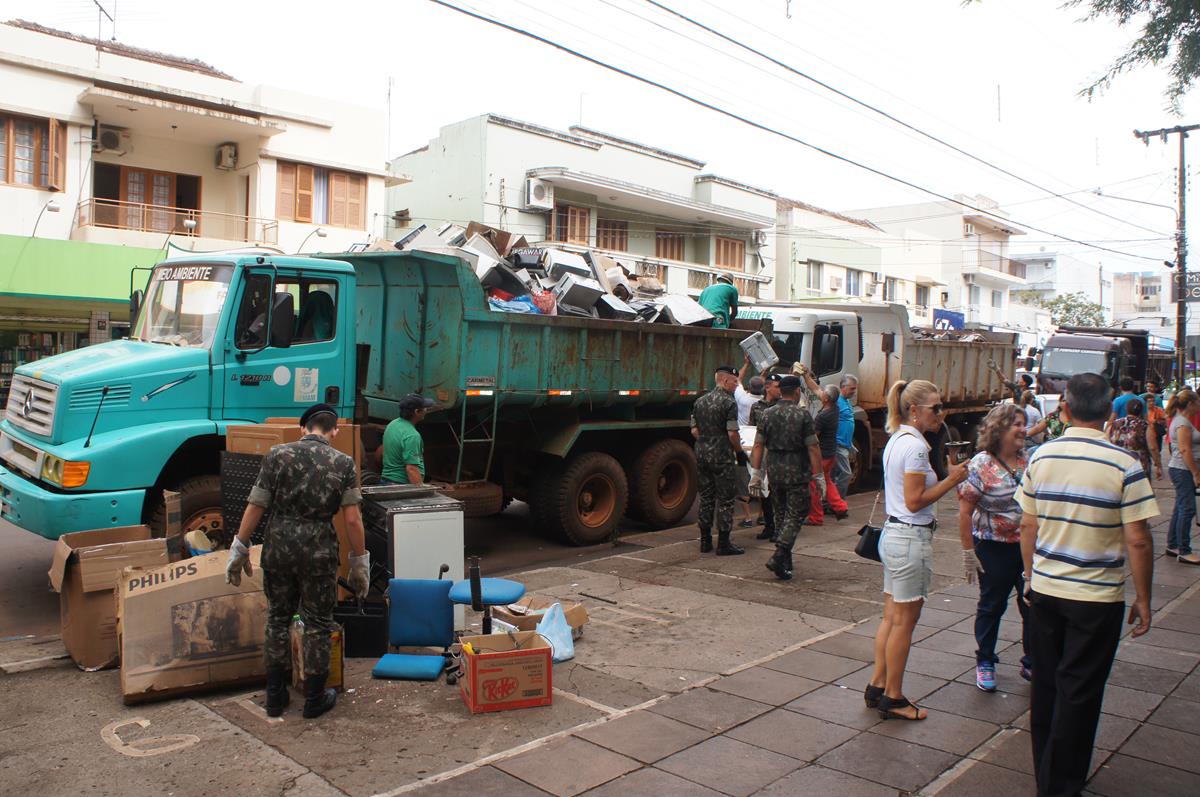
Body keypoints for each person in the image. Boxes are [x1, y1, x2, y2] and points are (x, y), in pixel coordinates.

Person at [1017, 372, 1157, 796]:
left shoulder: (1041, 458)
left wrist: (1029, 577)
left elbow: (1028, 524)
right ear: (1107, 411)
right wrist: (1144, 599)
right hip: (1097, 598)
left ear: (1065, 406)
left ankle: (1046, 772)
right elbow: (1138, 538)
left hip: (1046, 591)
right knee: (1080, 692)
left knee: (1045, 685)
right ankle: (1061, 785)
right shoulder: (1125, 465)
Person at [226, 404, 370, 720]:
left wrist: (240, 545)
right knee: (318, 622)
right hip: (318, 549)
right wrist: (360, 561)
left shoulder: (277, 455)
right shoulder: (344, 463)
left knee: (278, 617)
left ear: (302, 428)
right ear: (334, 431)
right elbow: (352, 520)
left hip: (279, 545)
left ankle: (275, 696)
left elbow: (256, 504)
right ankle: (314, 700)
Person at [865, 379, 967, 721]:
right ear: (914, 410)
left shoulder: (898, 439)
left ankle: (878, 684)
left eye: (941, 407)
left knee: (892, 617)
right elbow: (914, 500)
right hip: (910, 537)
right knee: (904, 623)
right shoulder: (917, 447)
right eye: (935, 408)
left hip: (895, 535)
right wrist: (952, 481)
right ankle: (893, 697)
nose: (941, 414)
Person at [957, 404, 1031, 693]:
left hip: (1028, 547)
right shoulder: (981, 465)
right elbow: (964, 511)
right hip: (993, 547)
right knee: (992, 605)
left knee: (1032, 607)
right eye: (1018, 424)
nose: (1024, 430)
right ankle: (985, 660)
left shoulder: (1032, 460)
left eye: (1025, 424)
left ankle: (1032, 660)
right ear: (1000, 429)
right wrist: (968, 552)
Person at [749, 376, 824, 580]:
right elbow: (813, 447)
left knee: (781, 514)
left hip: (774, 471)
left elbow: (758, 445)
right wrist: (819, 476)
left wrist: (756, 473)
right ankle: (779, 555)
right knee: (797, 514)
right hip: (797, 471)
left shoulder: (766, 414)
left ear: (781, 391)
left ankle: (785, 563)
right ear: (798, 392)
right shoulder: (802, 415)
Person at [691, 365, 744, 555]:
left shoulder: (699, 401)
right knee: (726, 499)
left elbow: (694, 430)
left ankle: (705, 541)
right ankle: (723, 543)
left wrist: (707, 443)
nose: (736, 385)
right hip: (722, 457)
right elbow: (732, 433)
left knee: (706, 497)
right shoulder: (729, 403)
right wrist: (739, 451)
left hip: (702, 455)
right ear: (725, 380)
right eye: (735, 381)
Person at [1165, 388, 1200, 564]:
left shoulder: (1182, 420)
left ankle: (1173, 544)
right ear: (1191, 404)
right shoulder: (1183, 423)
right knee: (1187, 508)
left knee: (1180, 507)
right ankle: (1184, 550)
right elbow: (1185, 450)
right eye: (1198, 402)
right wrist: (1196, 473)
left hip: (1180, 469)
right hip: (1183, 470)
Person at [807, 384, 850, 525]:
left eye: (823, 394)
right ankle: (840, 506)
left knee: (815, 485)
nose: (821, 394)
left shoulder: (822, 417)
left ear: (825, 399)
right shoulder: (835, 409)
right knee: (827, 480)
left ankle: (816, 517)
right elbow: (816, 389)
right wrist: (807, 376)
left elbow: (813, 437)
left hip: (821, 456)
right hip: (831, 453)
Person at [750, 374, 782, 541]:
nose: (780, 390)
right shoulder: (756, 407)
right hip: (762, 455)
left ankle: (779, 528)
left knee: (778, 493)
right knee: (765, 494)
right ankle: (769, 526)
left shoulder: (783, 406)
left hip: (778, 454)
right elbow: (751, 431)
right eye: (777, 386)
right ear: (768, 387)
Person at [382, 393, 435, 484]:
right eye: (425, 408)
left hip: (386, 481)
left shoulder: (392, 424)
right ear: (417, 412)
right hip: (401, 486)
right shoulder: (412, 435)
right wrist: (420, 492)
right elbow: (411, 469)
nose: (426, 410)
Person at [1108, 399, 1157, 480]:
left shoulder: (1115, 424)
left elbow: (1108, 441)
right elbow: (1153, 447)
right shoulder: (1145, 425)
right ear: (1141, 411)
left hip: (1118, 463)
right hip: (1139, 465)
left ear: (1126, 409)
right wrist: (1158, 464)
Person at [832, 374, 859, 498]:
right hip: (838, 444)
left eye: (855, 388)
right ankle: (837, 500)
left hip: (845, 444)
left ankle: (832, 501)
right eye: (852, 388)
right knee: (846, 473)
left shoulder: (847, 402)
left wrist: (851, 445)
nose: (854, 391)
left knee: (836, 474)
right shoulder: (837, 402)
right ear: (843, 387)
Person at [1145, 390, 1168, 456]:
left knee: (1157, 450)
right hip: (1146, 435)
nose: (1152, 403)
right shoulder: (1143, 411)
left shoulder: (1158, 410)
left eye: (1153, 401)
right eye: (1149, 401)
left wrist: (1158, 421)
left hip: (1157, 434)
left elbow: (1165, 420)